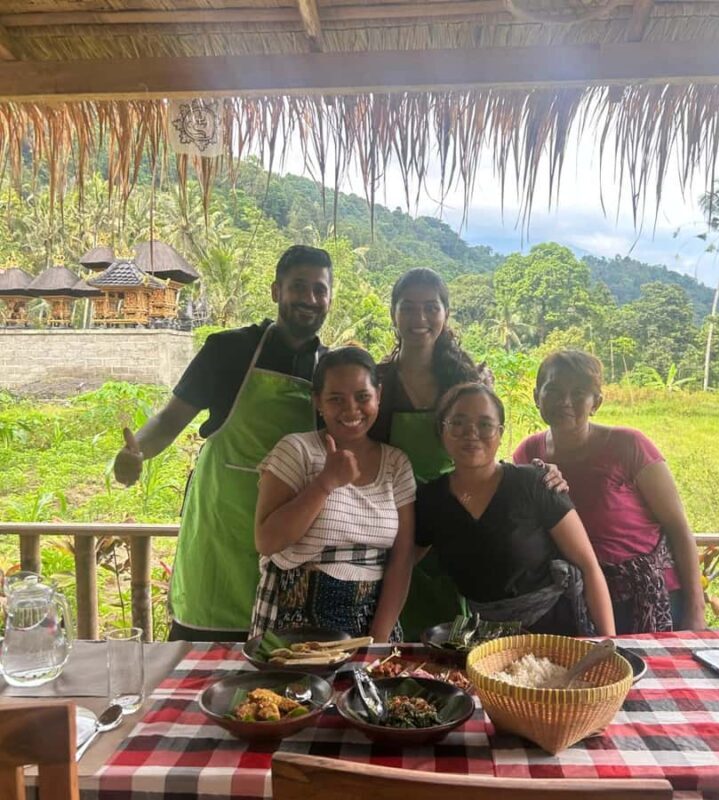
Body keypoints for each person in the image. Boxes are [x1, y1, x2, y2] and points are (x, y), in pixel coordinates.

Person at [113, 245, 333, 642]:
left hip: (290, 532)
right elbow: (169, 419)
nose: (310, 299)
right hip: (221, 525)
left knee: (278, 663)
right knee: (201, 654)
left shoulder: (330, 369)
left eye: (320, 290)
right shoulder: (228, 350)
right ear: (275, 291)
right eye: (299, 286)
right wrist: (136, 453)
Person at [370, 267, 567, 639]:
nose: (420, 318)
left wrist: (542, 474)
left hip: (454, 519)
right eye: (408, 308)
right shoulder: (377, 382)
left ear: (446, 313)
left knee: (451, 638)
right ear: (393, 313)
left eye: (431, 307)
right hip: (390, 521)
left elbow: (486, 446)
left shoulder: (464, 379)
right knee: (394, 624)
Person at [513, 349, 705, 634]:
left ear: (596, 403)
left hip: (643, 598)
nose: (565, 401)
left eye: (579, 393)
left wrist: (695, 610)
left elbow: (678, 528)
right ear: (536, 396)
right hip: (571, 601)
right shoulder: (529, 453)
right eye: (553, 390)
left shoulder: (629, 446)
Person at [414, 383, 615, 636]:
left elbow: (589, 566)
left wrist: (610, 644)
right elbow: (401, 564)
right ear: (442, 430)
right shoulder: (431, 500)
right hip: (486, 639)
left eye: (485, 424)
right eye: (458, 423)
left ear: (500, 433)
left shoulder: (535, 484)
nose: (471, 433)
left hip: (558, 634)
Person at [251, 347, 416, 641]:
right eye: (336, 399)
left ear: (378, 394)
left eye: (362, 397)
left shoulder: (396, 463)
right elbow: (267, 541)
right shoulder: (296, 451)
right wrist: (325, 482)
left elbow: (401, 560)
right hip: (294, 623)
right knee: (297, 689)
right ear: (318, 402)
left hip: (372, 622)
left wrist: (377, 642)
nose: (351, 409)